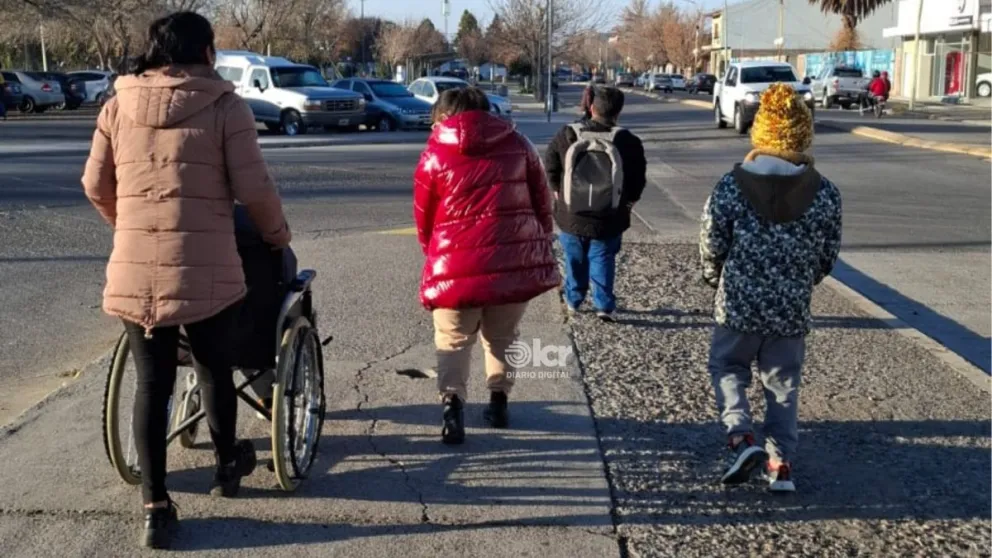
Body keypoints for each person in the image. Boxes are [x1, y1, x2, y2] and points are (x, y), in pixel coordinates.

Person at [81, 11, 291, 549]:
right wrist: (277, 236)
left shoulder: (116, 104)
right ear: (206, 53)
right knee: (214, 367)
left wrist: (126, 224)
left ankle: (155, 504)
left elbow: (94, 184)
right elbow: (256, 189)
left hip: (133, 266)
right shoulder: (225, 106)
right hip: (206, 265)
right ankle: (227, 467)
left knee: (152, 384)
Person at [699, 83, 842, 493]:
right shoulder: (825, 193)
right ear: (803, 133)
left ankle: (741, 437)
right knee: (783, 384)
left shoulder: (732, 185)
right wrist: (799, 281)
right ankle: (780, 466)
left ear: (760, 131)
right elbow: (827, 255)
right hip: (791, 309)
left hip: (738, 305)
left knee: (728, 368)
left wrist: (715, 278)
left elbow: (712, 243)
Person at [414, 87, 559, 445]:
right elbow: (543, 201)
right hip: (513, 262)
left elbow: (424, 218)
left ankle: (452, 410)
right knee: (503, 337)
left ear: (443, 115)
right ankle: (499, 402)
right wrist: (539, 240)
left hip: (454, 265)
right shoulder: (519, 144)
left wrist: (434, 254)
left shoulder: (435, 152)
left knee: (453, 339)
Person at [544, 86, 647, 322]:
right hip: (609, 215)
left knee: (574, 257)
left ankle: (574, 299)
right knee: (603, 257)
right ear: (618, 112)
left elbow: (550, 162)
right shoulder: (627, 140)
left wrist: (557, 190)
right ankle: (604, 305)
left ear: (592, 108)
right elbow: (638, 178)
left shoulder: (568, 133)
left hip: (571, 214)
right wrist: (629, 203)